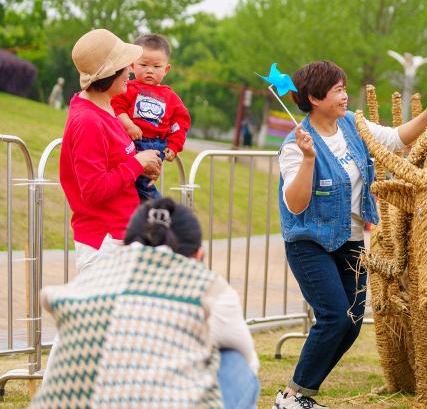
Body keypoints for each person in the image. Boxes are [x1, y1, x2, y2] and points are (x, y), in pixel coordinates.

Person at [274, 60, 427, 409]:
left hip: (352, 241)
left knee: (353, 322)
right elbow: (295, 205)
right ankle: (292, 397)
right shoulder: (296, 145)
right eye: (337, 90)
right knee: (334, 317)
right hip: (310, 243)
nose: (345, 96)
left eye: (344, 88)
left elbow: (395, 138)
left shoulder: (352, 125)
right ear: (315, 98)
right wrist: (309, 159)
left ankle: (302, 394)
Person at [33, 199, 259, 408]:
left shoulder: (88, 282)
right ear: (198, 255)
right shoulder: (208, 287)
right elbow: (248, 360)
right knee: (234, 362)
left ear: (127, 243)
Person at [61, 29, 163, 273]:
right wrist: (137, 163)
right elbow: (94, 190)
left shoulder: (104, 109)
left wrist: (142, 165)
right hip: (104, 245)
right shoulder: (88, 121)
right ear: (109, 74)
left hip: (120, 237)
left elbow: (112, 164)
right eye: (124, 66)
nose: (130, 71)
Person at [112, 33, 191, 201]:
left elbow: (180, 123)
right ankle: (143, 207)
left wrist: (174, 146)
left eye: (156, 66)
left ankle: (156, 207)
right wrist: (129, 125)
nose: (149, 70)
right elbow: (117, 108)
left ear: (166, 69)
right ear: (132, 65)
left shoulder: (171, 97)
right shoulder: (128, 89)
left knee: (143, 183)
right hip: (131, 141)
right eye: (143, 65)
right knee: (129, 182)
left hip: (156, 144)